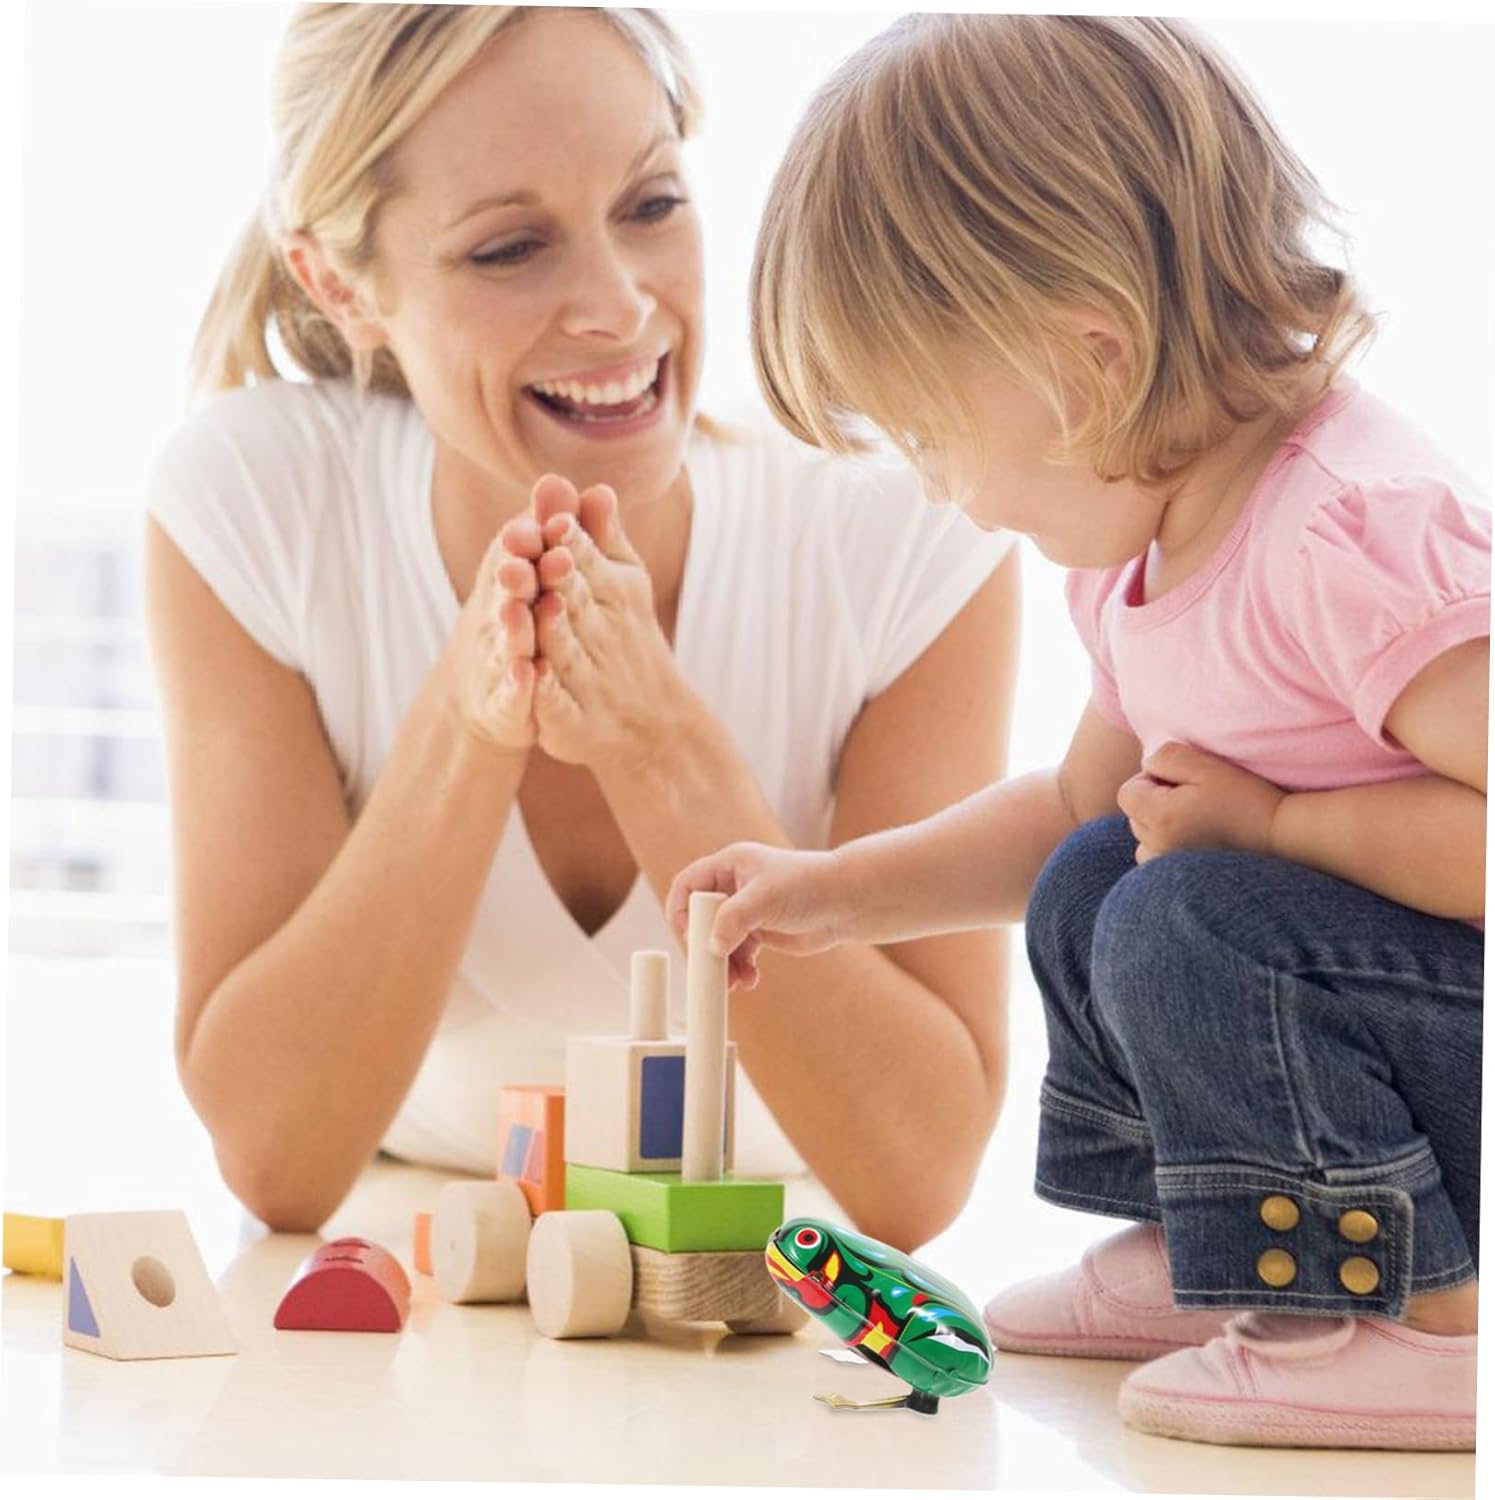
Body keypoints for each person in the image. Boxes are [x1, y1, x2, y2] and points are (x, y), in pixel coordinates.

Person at [668, 15, 1487, 1450]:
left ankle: (1427, 1325)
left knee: (1183, 909)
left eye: (932, 435)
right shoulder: (1135, 557)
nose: (942, 492)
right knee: (1099, 872)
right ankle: (1214, 1241)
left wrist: (1276, 828)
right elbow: (1069, 808)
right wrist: (832, 894)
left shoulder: (1348, 536)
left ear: (1088, 362)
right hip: (1372, 1033)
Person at [141, 4, 1018, 1244]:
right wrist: (468, 724)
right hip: (427, 1275)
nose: (617, 306)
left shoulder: (903, 526)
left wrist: (658, 746)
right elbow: (278, 1160)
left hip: (766, 1289)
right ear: (339, 284)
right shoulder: (261, 502)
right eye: (509, 249)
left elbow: (914, 1177)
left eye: (651, 204)